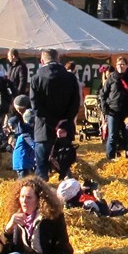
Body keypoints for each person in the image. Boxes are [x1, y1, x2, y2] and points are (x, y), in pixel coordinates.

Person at [31, 48, 82, 178]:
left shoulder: (36, 78)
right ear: (58, 59)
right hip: (65, 129)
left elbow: (36, 108)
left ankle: (41, 196)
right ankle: (69, 196)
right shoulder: (70, 77)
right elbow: (75, 104)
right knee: (64, 166)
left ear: (42, 61)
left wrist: (54, 124)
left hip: (43, 130)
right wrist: (63, 124)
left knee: (42, 169)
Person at [99, 56, 128, 161]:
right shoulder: (112, 77)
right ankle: (109, 158)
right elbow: (103, 94)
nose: (120, 66)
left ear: (126, 65)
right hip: (113, 111)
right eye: (119, 64)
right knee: (112, 136)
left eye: (123, 64)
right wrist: (105, 108)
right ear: (116, 66)